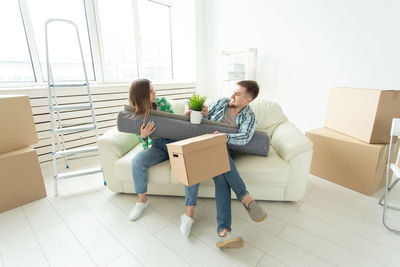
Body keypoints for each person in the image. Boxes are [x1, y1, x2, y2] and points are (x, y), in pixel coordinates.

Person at [183, 80, 267, 248]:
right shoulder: (221, 102)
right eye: (233, 92)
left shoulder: (249, 116)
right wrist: (199, 112)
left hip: (226, 151)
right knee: (218, 158)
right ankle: (245, 199)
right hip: (207, 147)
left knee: (221, 179)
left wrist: (224, 137)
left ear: (248, 100)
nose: (232, 95)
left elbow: (244, 137)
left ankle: (224, 233)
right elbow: (204, 118)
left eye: (238, 94)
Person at [128, 79, 199, 226]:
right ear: (142, 95)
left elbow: (174, 124)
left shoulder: (162, 102)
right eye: (151, 91)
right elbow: (144, 143)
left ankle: (188, 215)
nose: (155, 93)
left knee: (191, 166)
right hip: (158, 147)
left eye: (154, 89)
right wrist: (143, 136)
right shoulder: (136, 113)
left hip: (175, 143)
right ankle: (142, 201)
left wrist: (183, 117)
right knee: (137, 161)